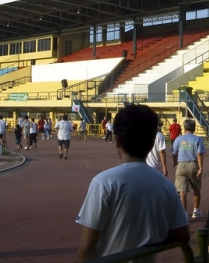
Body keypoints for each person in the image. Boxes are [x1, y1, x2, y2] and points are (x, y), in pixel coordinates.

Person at [74, 104, 189, 262]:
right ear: (151, 144)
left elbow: (87, 246)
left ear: (118, 141)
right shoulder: (166, 185)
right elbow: (182, 235)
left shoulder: (104, 182)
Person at [172, 118, 206, 218]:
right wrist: (200, 168)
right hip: (193, 164)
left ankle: (184, 212)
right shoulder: (197, 139)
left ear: (184, 128)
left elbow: (174, 153)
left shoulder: (178, 139)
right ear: (194, 128)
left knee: (182, 190)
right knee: (196, 188)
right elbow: (199, 154)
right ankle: (195, 211)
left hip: (181, 164)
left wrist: (175, 162)